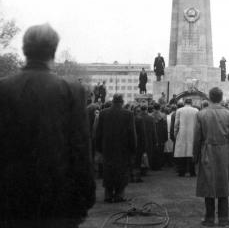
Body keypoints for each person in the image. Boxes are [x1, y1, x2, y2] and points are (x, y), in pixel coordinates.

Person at [0, 23, 95, 228]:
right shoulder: (71, 90)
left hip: (10, 201)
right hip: (58, 202)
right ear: (54, 50)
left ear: (25, 50)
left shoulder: (3, 89)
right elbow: (80, 148)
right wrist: (85, 198)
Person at [193, 87, 229, 227]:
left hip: (207, 150)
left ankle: (209, 218)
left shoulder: (201, 114)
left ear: (209, 97)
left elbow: (197, 138)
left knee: (209, 183)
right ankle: (224, 218)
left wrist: (195, 156)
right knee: (224, 183)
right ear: (221, 97)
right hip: (225, 152)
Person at [96, 94, 137, 203]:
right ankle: (119, 195)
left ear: (113, 101)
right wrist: (133, 148)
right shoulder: (128, 114)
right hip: (123, 148)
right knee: (121, 171)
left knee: (108, 171)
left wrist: (99, 149)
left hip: (107, 148)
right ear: (122, 102)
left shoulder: (103, 113)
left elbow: (98, 133)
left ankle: (108, 195)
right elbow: (132, 133)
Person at [174, 98, 199, 177]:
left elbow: (176, 124)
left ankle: (182, 171)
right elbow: (198, 124)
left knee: (182, 152)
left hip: (182, 132)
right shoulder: (196, 111)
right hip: (192, 132)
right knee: (191, 153)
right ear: (191, 103)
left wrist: (175, 133)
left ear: (184, 103)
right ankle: (192, 171)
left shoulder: (179, 110)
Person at [150, 103, 168, 170]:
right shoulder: (163, 115)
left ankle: (153, 165)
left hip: (153, 135)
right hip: (161, 135)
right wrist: (166, 137)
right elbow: (165, 127)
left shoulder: (150, 115)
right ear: (159, 107)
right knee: (160, 151)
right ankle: (159, 165)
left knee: (153, 150)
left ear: (153, 108)